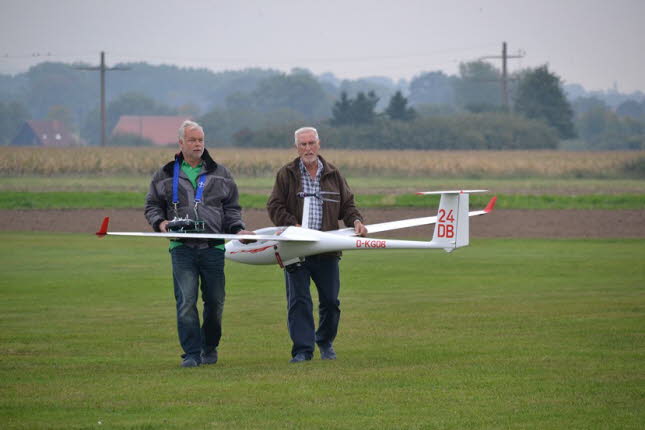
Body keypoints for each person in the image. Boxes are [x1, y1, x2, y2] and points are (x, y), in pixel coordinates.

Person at [145, 120, 254, 368]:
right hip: (181, 248)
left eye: (201, 140)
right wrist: (161, 224)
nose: (197, 144)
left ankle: (210, 346)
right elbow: (151, 206)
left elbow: (232, 209)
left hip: (213, 247)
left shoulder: (221, 173)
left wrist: (238, 230)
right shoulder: (164, 174)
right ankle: (192, 354)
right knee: (186, 302)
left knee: (215, 303)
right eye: (192, 140)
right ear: (181, 142)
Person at [267, 126, 367, 363]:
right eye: (303, 144)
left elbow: (347, 205)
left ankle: (324, 341)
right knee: (299, 301)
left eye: (311, 143)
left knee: (331, 302)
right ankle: (302, 350)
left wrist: (356, 220)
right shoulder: (287, 174)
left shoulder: (333, 174)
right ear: (297, 148)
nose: (308, 148)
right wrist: (293, 226)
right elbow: (274, 206)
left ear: (319, 144)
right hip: (296, 249)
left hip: (326, 249)